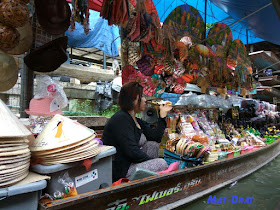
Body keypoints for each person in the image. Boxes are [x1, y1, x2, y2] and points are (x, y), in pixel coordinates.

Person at [102, 82, 172, 182]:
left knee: (153, 145)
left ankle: (151, 178)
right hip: (122, 170)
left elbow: (155, 137)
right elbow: (132, 152)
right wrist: (153, 162)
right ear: (133, 99)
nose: (145, 100)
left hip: (131, 162)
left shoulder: (135, 120)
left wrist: (162, 116)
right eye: (142, 96)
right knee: (162, 163)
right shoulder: (121, 119)